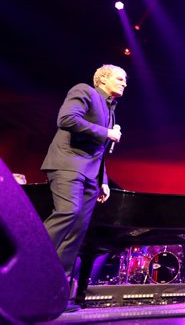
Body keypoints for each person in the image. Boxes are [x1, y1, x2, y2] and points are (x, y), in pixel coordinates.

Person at [41, 64, 127, 309]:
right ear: (102, 79)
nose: (124, 83)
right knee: (67, 213)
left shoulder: (111, 110)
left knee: (77, 232)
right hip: (68, 165)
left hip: (90, 175)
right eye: (120, 79)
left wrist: (104, 180)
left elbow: (98, 150)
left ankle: (55, 294)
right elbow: (66, 119)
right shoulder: (85, 91)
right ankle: (27, 261)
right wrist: (106, 132)